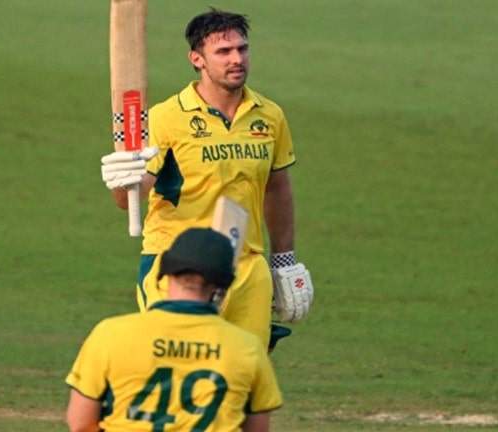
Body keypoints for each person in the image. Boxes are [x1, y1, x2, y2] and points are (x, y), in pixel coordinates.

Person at [100, 8, 313, 349]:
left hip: (246, 266)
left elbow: (277, 189)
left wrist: (283, 259)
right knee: (181, 365)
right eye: (223, 51)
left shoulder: (269, 116)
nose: (236, 59)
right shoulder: (165, 118)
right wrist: (123, 179)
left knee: (245, 370)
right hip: (177, 266)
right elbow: (128, 201)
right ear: (197, 59)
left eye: (242, 49)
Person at [65, 228, 283, 432]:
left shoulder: (110, 334)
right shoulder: (247, 348)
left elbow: (80, 423)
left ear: (164, 273)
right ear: (223, 287)